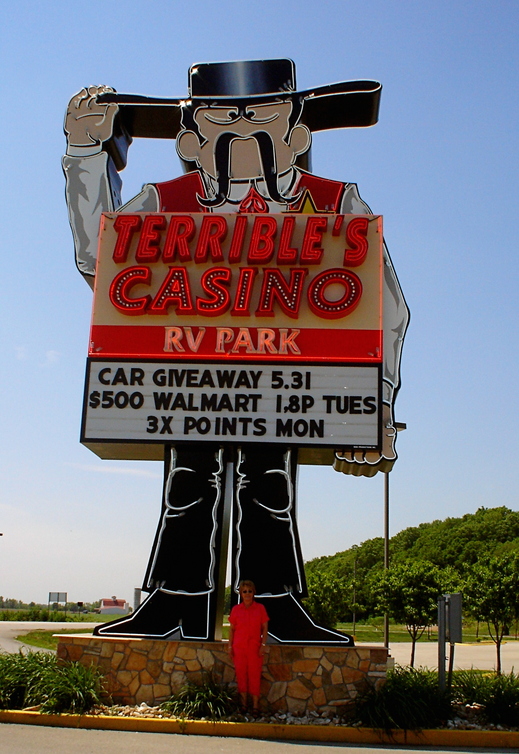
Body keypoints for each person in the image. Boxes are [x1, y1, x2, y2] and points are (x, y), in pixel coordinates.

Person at [63, 59, 409, 643]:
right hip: (191, 372)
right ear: (190, 140)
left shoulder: (334, 202)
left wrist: (373, 400)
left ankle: (275, 604)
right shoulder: (164, 199)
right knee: (186, 477)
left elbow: (386, 305)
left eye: (263, 114)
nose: (242, 126)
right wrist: (87, 156)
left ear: (298, 135)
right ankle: (176, 601)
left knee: (271, 480)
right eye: (223, 116)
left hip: (288, 375)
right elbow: (101, 259)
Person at [228, 580, 269, 714]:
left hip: (255, 648)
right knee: (241, 675)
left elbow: (264, 628)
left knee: (254, 676)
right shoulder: (236, 610)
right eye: (244, 591)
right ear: (240, 593)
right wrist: (230, 646)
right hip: (239, 647)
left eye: (249, 591)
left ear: (254, 593)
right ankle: (243, 704)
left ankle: (255, 705)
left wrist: (263, 645)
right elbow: (232, 629)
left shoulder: (260, 608)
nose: (247, 594)